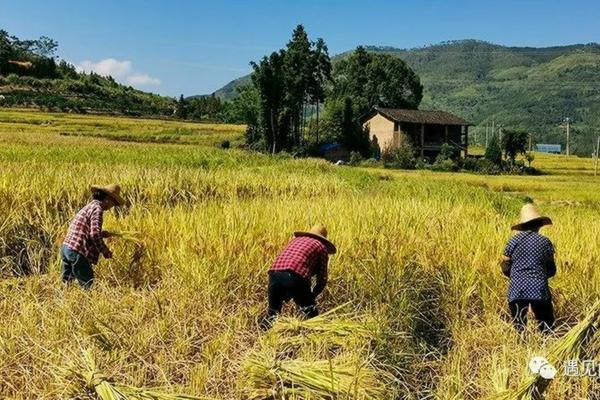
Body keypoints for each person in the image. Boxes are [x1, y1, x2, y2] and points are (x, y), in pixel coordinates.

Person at [262, 225, 336, 329]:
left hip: (274, 274)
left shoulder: (295, 240)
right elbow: (322, 278)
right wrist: (312, 295)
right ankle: (317, 337)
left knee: (273, 312)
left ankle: (262, 335)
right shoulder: (321, 246)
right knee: (310, 312)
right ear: (323, 239)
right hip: (295, 275)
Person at [502, 204, 556, 333]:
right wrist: (540, 275)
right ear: (539, 225)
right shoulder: (545, 242)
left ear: (523, 226)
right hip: (539, 288)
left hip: (517, 288)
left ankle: (521, 348)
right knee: (546, 327)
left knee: (519, 328)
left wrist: (516, 276)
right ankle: (546, 347)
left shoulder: (513, 241)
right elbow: (551, 269)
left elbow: (505, 266)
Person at [61, 184, 125, 289]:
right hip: (78, 250)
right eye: (113, 203)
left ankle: (62, 302)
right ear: (107, 199)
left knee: (67, 283)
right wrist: (104, 250)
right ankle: (85, 304)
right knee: (87, 284)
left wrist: (103, 234)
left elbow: (87, 229)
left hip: (67, 248)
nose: (112, 206)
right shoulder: (97, 209)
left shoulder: (90, 206)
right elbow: (94, 234)